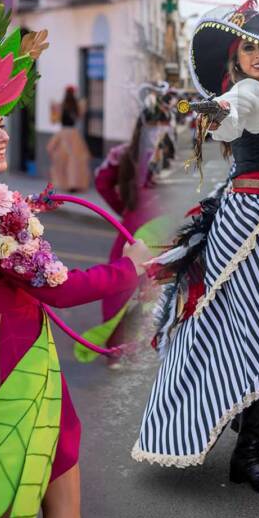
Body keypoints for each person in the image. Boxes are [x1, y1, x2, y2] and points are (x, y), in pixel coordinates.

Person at [0, 12, 150, 518]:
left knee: (32, 485)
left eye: (2, 125)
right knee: (11, 500)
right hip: (5, 371)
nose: (2, 136)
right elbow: (61, 290)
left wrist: (23, 214)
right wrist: (130, 268)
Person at [133, 0, 259, 499]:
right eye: (250, 47)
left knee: (250, 329)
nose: (258, 55)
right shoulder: (250, 91)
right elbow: (234, 115)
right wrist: (214, 109)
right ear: (237, 54)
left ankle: (245, 429)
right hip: (252, 223)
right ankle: (247, 452)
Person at [93, 88, 167, 363]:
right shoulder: (167, 155)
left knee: (123, 288)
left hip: (133, 229)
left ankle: (119, 351)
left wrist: (125, 210)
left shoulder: (127, 153)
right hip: (157, 229)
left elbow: (102, 181)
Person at [47, 85, 92, 192]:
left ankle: (66, 183)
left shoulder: (61, 106)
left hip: (62, 134)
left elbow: (54, 119)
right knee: (76, 160)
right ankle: (74, 183)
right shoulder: (76, 105)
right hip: (74, 134)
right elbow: (81, 112)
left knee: (62, 159)